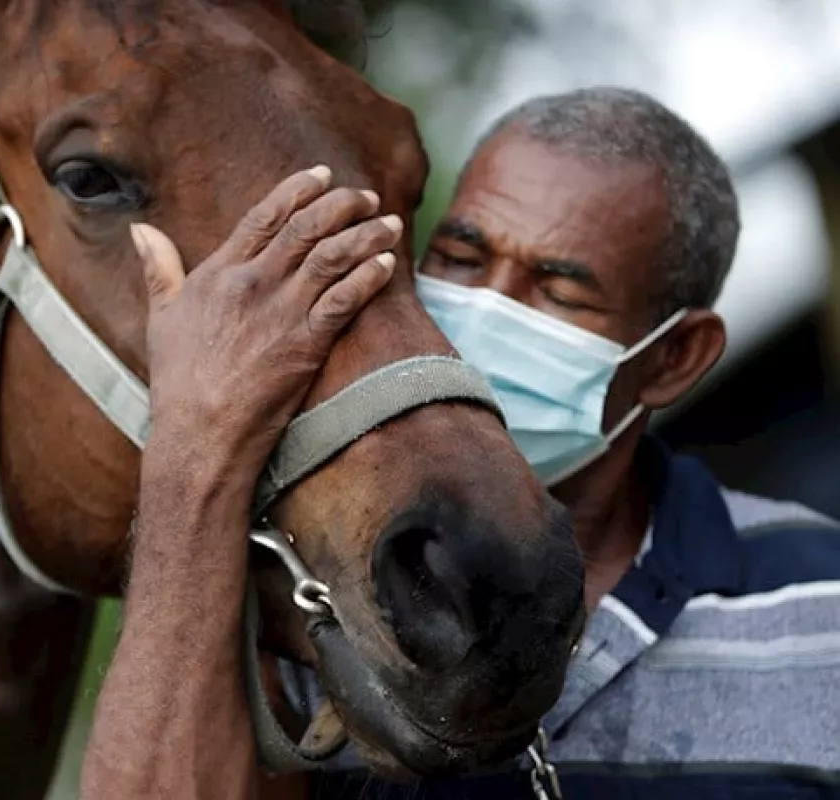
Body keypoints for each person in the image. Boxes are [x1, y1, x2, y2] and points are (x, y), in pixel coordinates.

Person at [82, 87, 840, 800]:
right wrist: (193, 449)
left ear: (674, 359)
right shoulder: (308, 583)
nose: (482, 313)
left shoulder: (821, 606)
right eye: (459, 260)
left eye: (559, 291)